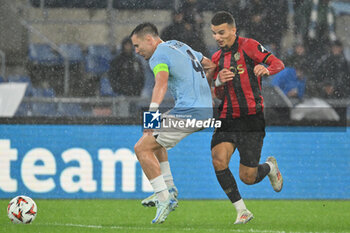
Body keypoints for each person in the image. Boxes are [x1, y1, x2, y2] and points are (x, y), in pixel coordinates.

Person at [131, 22, 216, 224]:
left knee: (141, 149)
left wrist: (151, 114)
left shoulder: (158, 55)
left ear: (149, 39)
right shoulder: (180, 45)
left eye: (137, 45)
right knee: (152, 142)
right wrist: (205, 92)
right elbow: (210, 65)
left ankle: (164, 198)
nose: (136, 51)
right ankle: (168, 188)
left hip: (189, 111)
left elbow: (161, 82)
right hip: (203, 110)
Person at [209, 11, 285, 224]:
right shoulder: (216, 59)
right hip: (227, 118)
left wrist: (267, 69)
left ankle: (270, 167)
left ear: (233, 30)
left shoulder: (250, 46)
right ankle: (242, 210)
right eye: (214, 33)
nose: (218, 37)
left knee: (248, 177)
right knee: (218, 160)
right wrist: (218, 83)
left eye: (221, 32)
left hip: (252, 118)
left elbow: (279, 63)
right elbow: (218, 95)